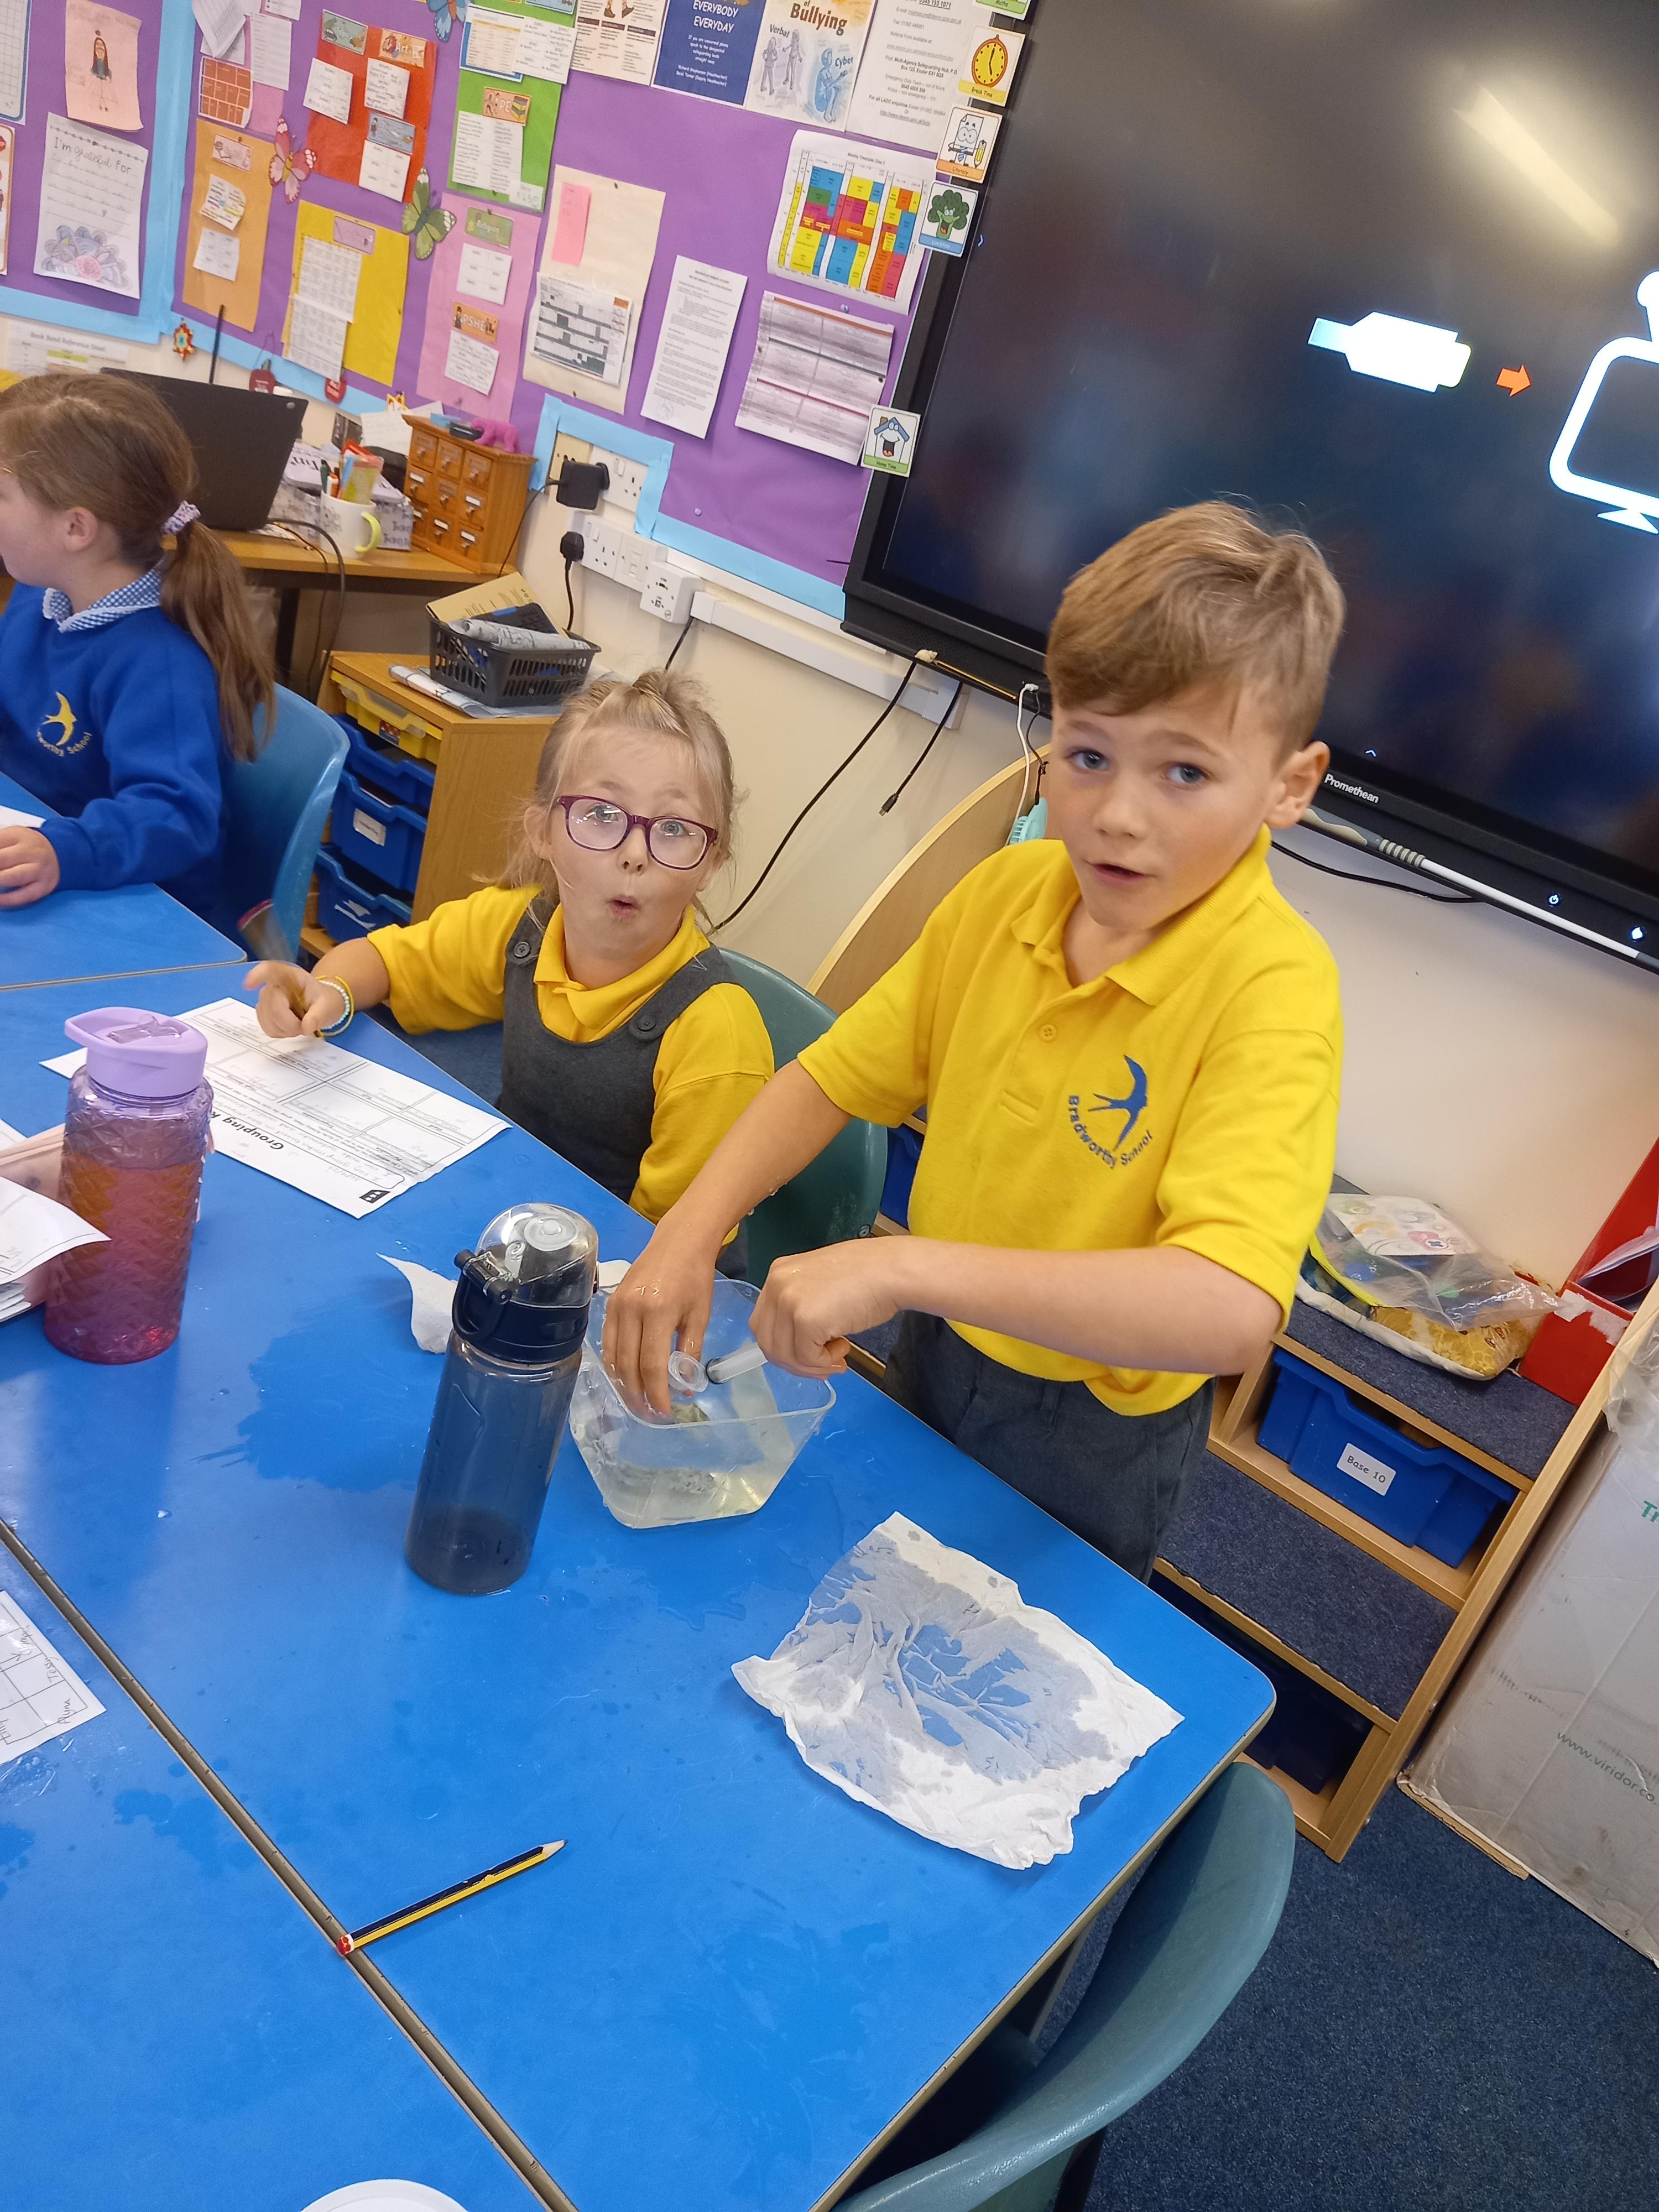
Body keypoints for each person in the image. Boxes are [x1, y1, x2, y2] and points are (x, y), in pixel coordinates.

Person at [604, 503, 1347, 1579]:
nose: (1117, 814)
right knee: (870, 1582)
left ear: (1291, 785)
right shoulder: (1009, 892)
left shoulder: (1274, 989)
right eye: (1087, 754)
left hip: (1095, 1430)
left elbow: (1226, 1308)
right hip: (938, 1344)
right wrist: (687, 1233)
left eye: (1184, 773)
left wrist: (903, 1263)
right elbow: (828, 1079)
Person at [247, 671, 774, 1264]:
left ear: (711, 862)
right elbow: (388, 961)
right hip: (516, 1218)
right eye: (602, 814)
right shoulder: (520, 926)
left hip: (625, 1273)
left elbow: (668, 1255)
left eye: (673, 829)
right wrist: (327, 989)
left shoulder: (717, 1039)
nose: (634, 854)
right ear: (543, 830)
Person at [0, 372, 273, 915]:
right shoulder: (40, 597)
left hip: (139, 909)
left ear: (76, 529)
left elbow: (176, 816)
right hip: (43, 864)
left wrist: (66, 851)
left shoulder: (159, 664)